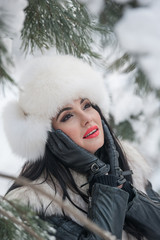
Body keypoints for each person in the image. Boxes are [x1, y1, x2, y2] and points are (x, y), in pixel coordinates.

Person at [3, 55, 160, 240]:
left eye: (86, 105)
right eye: (67, 116)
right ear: (49, 137)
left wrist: (123, 189)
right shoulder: (36, 202)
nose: (87, 118)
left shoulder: (130, 165)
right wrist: (103, 181)